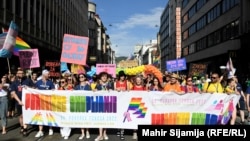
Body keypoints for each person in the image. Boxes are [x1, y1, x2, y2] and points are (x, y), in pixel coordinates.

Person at [9, 69, 33, 136]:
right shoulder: (14, 83)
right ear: (17, 74)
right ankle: (22, 127)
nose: (21, 74)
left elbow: (34, 88)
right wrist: (19, 101)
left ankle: (25, 129)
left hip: (27, 101)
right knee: (21, 116)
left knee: (25, 115)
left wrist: (28, 87)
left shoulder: (28, 80)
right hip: (19, 102)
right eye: (19, 73)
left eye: (22, 73)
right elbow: (13, 93)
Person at [34, 69, 55, 138]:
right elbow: (33, 90)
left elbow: (53, 91)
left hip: (48, 102)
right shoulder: (38, 82)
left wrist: (53, 91)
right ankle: (40, 131)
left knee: (49, 114)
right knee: (40, 115)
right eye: (48, 74)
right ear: (44, 74)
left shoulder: (50, 82)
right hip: (40, 102)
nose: (49, 75)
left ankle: (50, 128)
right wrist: (27, 88)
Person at [94, 72, 114, 141]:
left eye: (105, 76)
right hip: (100, 104)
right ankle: (100, 135)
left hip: (107, 103)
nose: (104, 77)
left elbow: (113, 92)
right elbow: (94, 92)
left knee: (105, 119)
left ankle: (105, 133)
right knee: (100, 119)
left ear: (107, 77)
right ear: (100, 78)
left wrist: (111, 91)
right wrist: (94, 91)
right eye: (102, 76)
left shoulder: (110, 84)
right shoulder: (98, 85)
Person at [74, 73, 91, 140]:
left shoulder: (88, 86)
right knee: (81, 119)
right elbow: (73, 94)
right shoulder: (77, 87)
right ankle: (82, 133)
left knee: (86, 118)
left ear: (84, 78)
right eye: (79, 77)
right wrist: (72, 91)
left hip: (86, 104)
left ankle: (87, 131)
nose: (80, 78)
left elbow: (91, 95)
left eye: (82, 77)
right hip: (79, 104)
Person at [114, 71, 129, 140]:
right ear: (119, 76)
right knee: (118, 116)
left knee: (123, 116)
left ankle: (122, 131)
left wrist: (125, 90)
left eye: (123, 76)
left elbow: (129, 91)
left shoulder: (127, 82)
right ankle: (118, 129)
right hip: (117, 102)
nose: (122, 77)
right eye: (121, 76)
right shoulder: (115, 83)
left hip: (124, 102)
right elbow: (113, 92)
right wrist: (116, 90)